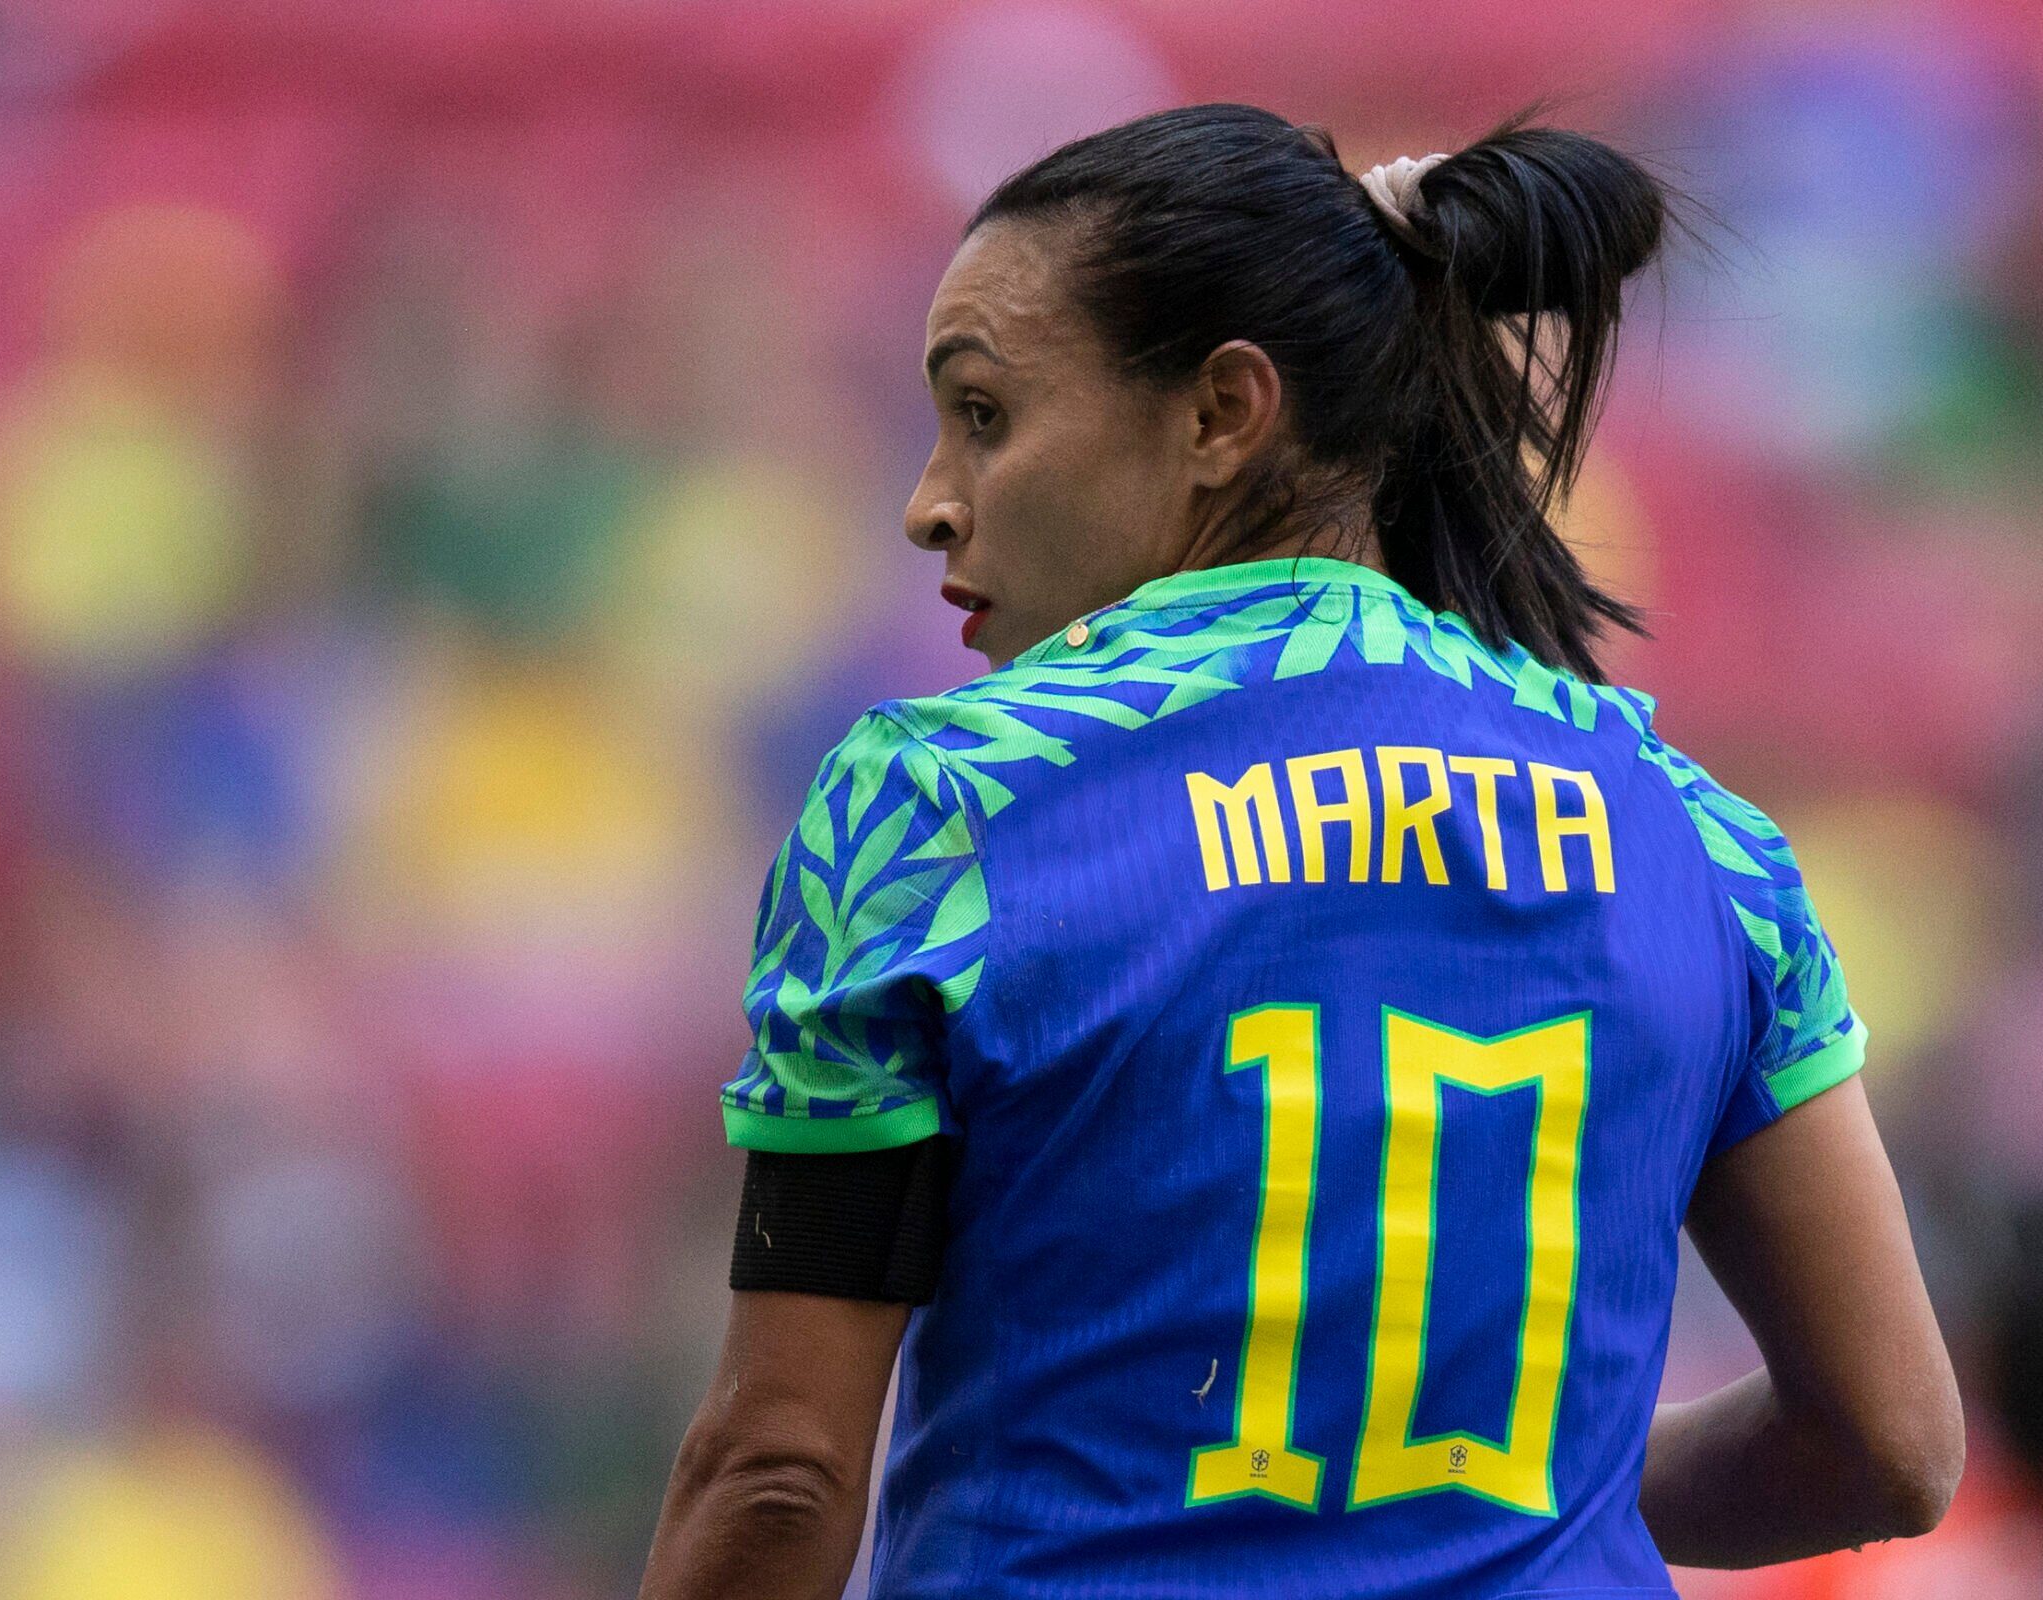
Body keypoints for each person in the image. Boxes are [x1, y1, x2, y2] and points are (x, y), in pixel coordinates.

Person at [638, 105, 1963, 1599]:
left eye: (986, 413)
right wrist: (1497, 1498)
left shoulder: (940, 808)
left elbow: (779, 1475)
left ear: (1221, 413)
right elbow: (1891, 1443)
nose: (928, 500)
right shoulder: (1698, 837)